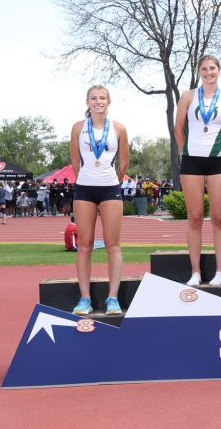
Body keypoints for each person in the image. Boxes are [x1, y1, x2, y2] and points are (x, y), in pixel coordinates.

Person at [174, 54, 221, 287]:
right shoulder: (188, 97)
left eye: (212, 68)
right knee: (195, 217)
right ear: (199, 72)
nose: (208, 72)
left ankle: (219, 272)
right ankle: (195, 272)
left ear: (218, 71)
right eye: (204, 68)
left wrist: (220, 151)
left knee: (219, 218)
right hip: (192, 162)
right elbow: (178, 130)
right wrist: (187, 153)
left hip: (218, 163)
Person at [70, 85, 129, 316]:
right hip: (84, 189)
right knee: (84, 246)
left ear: (109, 101)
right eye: (93, 98)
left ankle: (112, 298)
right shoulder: (77, 128)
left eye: (102, 98)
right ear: (87, 102)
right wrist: (84, 179)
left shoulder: (119, 128)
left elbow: (124, 162)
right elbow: (74, 160)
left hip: (110, 189)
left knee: (113, 245)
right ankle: (84, 298)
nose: (98, 101)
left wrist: (112, 180)